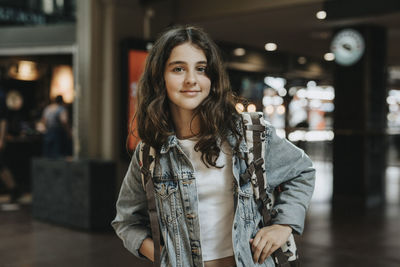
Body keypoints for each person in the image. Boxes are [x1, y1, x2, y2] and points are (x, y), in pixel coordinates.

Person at [112, 25, 315, 267]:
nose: (191, 79)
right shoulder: (151, 151)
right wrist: (164, 256)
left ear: (213, 77)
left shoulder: (247, 133)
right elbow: (126, 222)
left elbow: (302, 171)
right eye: (178, 69)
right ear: (160, 77)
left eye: (201, 69)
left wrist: (284, 225)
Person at [0, 86, 20, 203]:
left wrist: (1, 139)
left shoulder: (1, 96)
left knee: (1, 165)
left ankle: (14, 189)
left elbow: (3, 120)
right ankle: (14, 189)